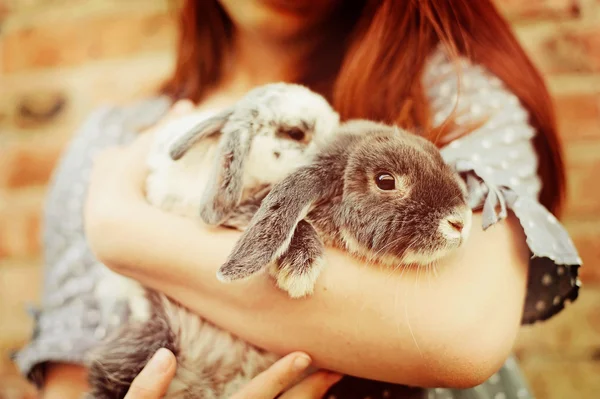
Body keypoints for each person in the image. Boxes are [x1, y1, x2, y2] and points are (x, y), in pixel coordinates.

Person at [13, 1, 583, 398]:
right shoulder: (120, 138)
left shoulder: (453, 96)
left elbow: (460, 336)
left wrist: (123, 231)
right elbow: (74, 383)